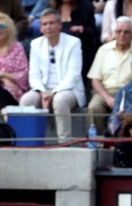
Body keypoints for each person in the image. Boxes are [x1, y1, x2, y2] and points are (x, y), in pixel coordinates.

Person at [19, 9, 85, 143]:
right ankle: (28, 141)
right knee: (26, 100)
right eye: (44, 24)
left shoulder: (74, 43)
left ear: (60, 25)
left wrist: (53, 93)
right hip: (43, 89)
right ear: (41, 27)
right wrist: (43, 92)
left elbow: (73, 75)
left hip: (68, 89)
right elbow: (34, 75)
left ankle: (64, 143)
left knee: (60, 100)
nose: (48, 27)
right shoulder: (36, 44)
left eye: (51, 23)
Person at [87, 17, 132, 133]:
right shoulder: (104, 50)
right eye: (119, 31)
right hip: (106, 91)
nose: (122, 35)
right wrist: (107, 98)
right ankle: (100, 140)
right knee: (94, 106)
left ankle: (125, 143)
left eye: (126, 32)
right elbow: (95, 79)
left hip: (129, 92)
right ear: (114, 33)